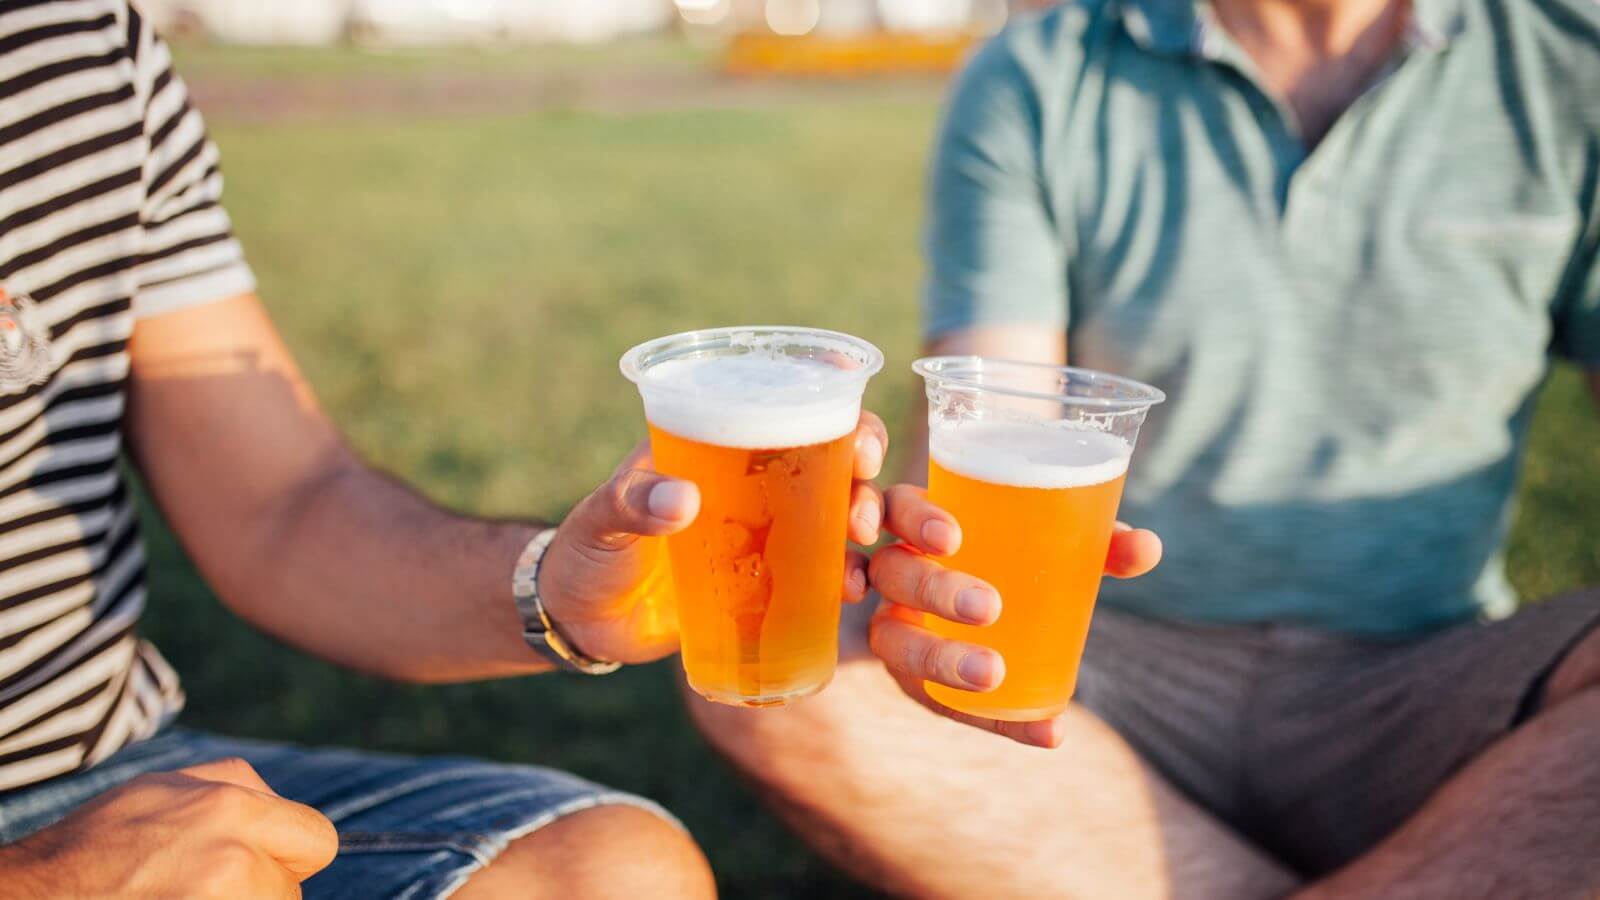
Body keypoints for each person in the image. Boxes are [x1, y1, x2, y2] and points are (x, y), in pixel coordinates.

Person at [688, 0, 1600, 895]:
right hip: (1098, 681)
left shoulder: (1570, 66)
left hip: (1423, 681)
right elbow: (991, 408)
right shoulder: (1043, 72)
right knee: (778, 663)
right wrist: (931, 568)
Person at [0, 2, 891, 897]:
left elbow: (282, 508)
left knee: (615, 876)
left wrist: (560, 591)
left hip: (103, 760)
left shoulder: (89, 43)